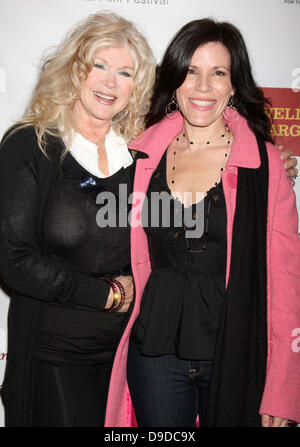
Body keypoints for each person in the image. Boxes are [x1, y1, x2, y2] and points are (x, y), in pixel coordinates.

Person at [104, 19, 300, 427]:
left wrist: (283, 389)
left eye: (218, 73)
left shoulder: (263, 168)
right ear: (175, 79)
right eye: (191, 71)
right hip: (154, 352)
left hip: (236, 352)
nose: (203, 87)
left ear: (234, 85)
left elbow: (286, 283)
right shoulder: (141, 156)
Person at [0, 11, 155, 427]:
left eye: (125, 72)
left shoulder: (142, 156)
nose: (110, 82)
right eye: (99, 66)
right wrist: (105, 296)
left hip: (129, 355)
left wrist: (269, 164)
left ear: (135, 87)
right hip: (53, 351)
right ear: (74, 70)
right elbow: (14, 261)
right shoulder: (30, 145)